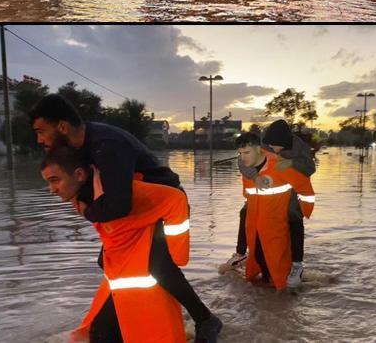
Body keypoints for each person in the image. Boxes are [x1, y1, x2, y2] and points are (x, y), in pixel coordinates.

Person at [29, 94, 222, 342]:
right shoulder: (81, 146)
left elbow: (119, 204)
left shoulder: (106, 145)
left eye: (41, 131)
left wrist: (87, 210)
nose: (40, 140)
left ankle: (205, 319)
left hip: (161, 205)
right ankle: (125, 320)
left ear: (63, 127)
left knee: (158, 264)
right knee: (106, 260)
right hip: (136, 209)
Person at [41, 145, 192, 343]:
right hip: (122, 276)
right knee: (100, 335)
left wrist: (177, 253)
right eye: (48, 183)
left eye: (55, 181)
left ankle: (204, 318)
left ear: (78, 174)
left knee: (105, 335)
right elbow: (112, 229)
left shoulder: (121, 191)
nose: (51, 190)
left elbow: (176, 200)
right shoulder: (80, 198)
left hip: (146, 274)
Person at [226, 120, 316, 277]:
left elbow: (310, 168)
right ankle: (240, 253)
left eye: (277, 147)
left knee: (294, 216)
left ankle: (297, 263)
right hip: (266, 187)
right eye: (270, 146)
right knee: (245, 212)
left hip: (290, 188)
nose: (272, 150)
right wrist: (255, 176)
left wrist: (291, 163)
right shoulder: (263, 145)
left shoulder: (299, 147)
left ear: (286, 143)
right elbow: (243, 161)